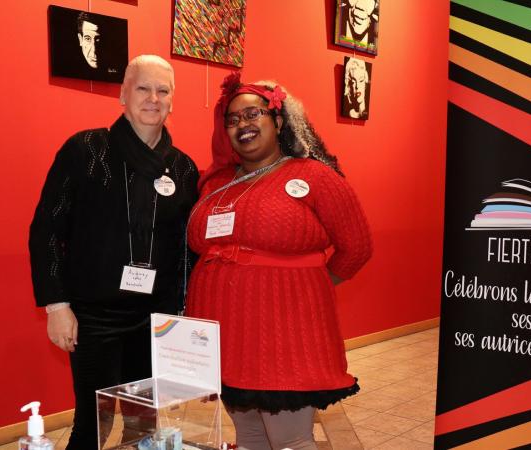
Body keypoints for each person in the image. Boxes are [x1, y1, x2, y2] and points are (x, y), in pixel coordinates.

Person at [185, 73, 372, 450]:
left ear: (279, 121)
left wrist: (310, 284)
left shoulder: (314, 176)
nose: (243, 125)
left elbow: (358, 246)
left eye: (253, 114)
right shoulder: (215, 182)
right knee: (250, 436)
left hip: (286, 334)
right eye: (233, 120)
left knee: (291, 441)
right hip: (225, 333)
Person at [29, 55, 199, 449]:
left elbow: (185, 251)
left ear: (173, 99)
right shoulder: (86, 150)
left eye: (163, 90)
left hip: (155, 320)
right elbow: (47, 230)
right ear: (123, 94)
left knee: (144, 424)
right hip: (94, 317)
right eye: (143, 88)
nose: (153, 98)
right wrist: (57, 307)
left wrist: (182, 315)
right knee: (93, 427)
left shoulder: (185, 169)